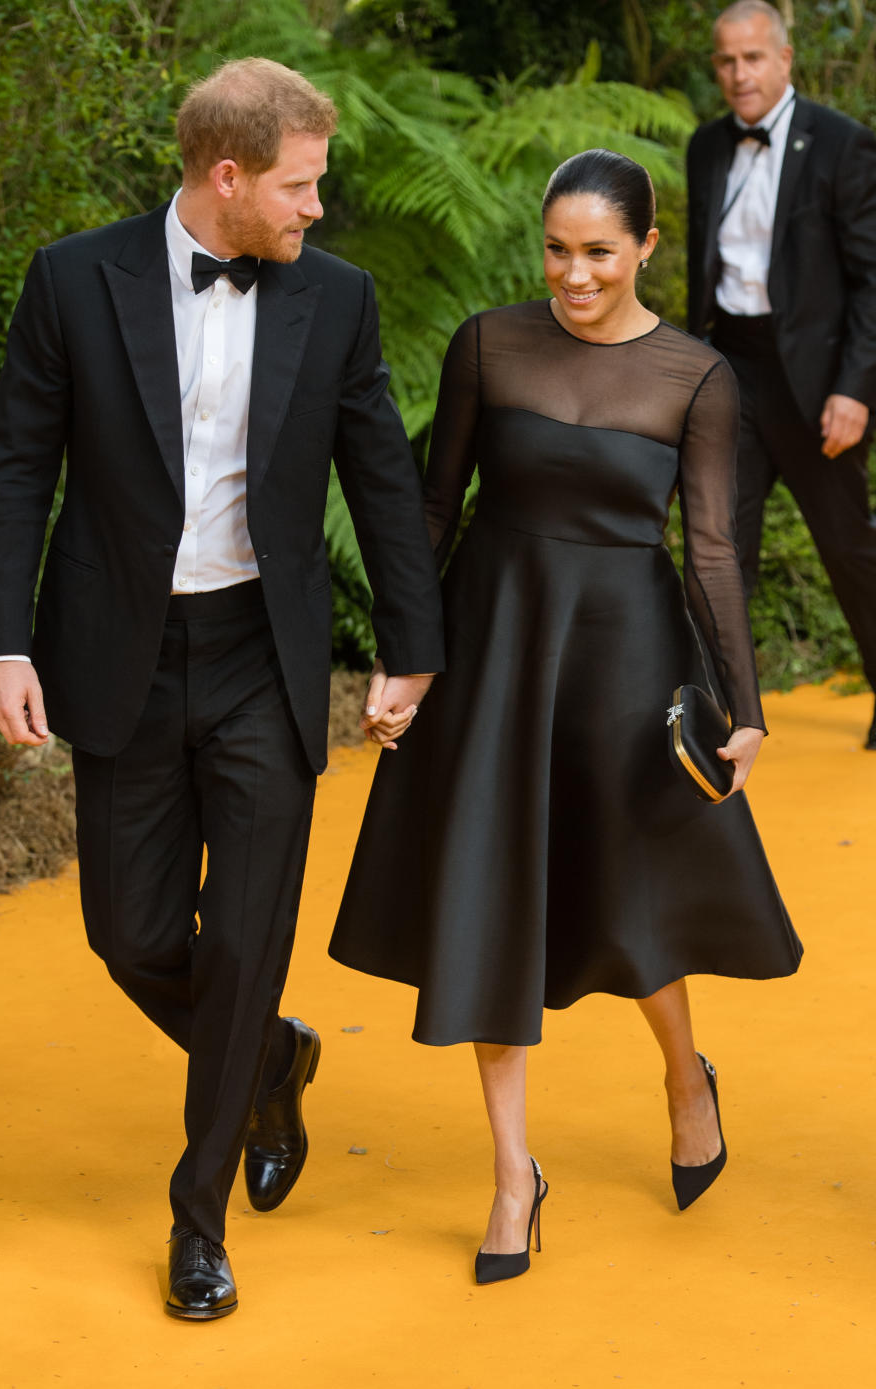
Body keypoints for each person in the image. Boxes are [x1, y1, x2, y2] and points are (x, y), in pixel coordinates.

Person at [0, 58, 443, 1319]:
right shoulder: (76, 276)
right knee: (128, 932)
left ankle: (198, 1217)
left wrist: (413, 639)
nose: (318, 210)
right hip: (118, 650)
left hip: (262, 658)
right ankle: (271, 1058)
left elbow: (382, 473)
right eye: (300, 186)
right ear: (226, 177)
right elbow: (17, 461)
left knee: (242, 943)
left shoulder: (335, 300)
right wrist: (3, 642)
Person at [330, 149, 802, 1285]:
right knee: (489, 900)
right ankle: (511, 1175)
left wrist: (742, 706)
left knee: (627, 897)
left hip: (627, 661)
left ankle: (687, 1076)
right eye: (556, 249)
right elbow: (435, 505)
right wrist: (406, 658)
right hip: (495, 645)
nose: (573, 273)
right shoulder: (489, 343)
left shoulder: (698, 377)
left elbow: (711, 547)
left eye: (598, 251)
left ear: (646, 246)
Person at [687, 0, 876, 749]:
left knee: (848, 547)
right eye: (727, 62)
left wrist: (856, 389)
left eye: (753, 58)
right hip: (730, 368)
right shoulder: (706, 147)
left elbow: (872, 280)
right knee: (718, 541)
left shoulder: (843, 144)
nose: (740, 74)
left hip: (817, 382)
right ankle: (716, 708)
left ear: (785, 58)